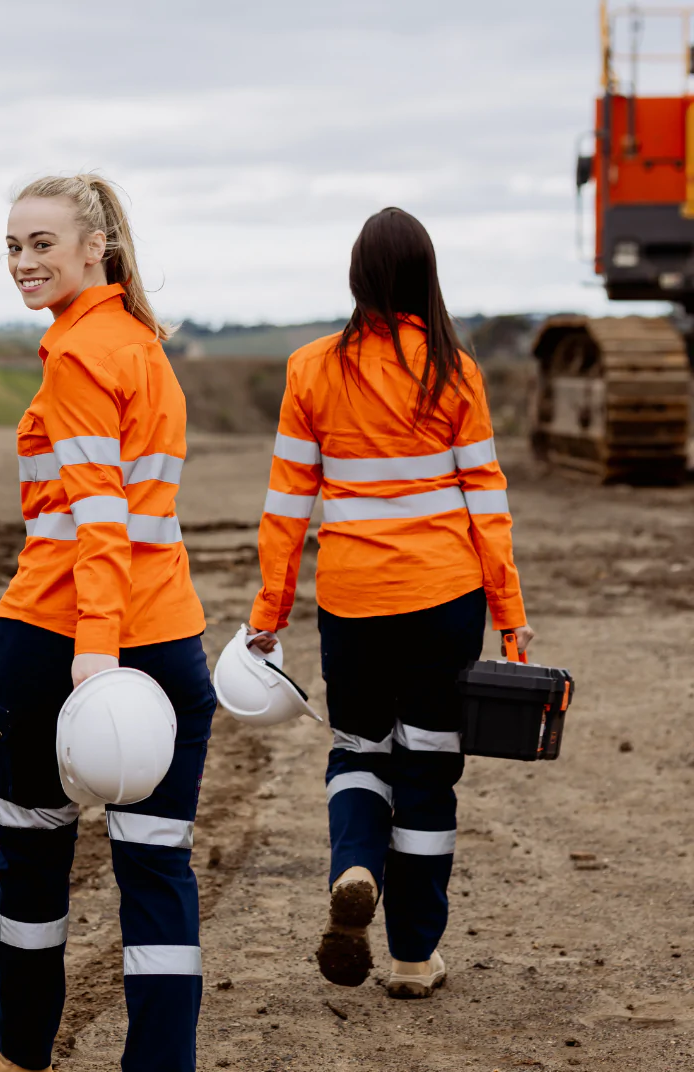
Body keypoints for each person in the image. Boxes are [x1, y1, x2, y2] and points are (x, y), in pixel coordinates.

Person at [0, 174, 216, 1072]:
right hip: (173, 644)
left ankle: (21, 1047)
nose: (24, 262)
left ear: (92, 249)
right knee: (158, 868)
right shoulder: (142, 345)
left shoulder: (76, 356)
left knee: (33, 857)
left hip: (62, 643)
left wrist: (94, 650)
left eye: (41, 244)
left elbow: (101, 516)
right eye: (12, 246)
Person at [245, 207, 533, 999]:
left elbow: (286, 507)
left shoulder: (310, 369)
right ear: (424, 276)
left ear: (358, 276)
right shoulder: (455, 371)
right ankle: (411, 957)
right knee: (430, 772)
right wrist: (509, 612)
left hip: (353, 602)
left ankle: (356, 866)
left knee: (359, 750)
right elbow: (487, 500)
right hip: (445, 599)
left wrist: (268, 616)